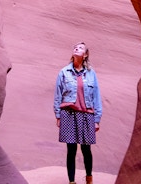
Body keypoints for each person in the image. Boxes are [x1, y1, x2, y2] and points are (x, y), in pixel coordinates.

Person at [53, 42, 103, 184]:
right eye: (75, 47)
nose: (76, 48)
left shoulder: (91, 73)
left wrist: (97, 119)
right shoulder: (63, 72)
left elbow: (96, 96)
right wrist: (58, 115)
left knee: (86, 149)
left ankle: (89, 179)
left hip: (87, 115)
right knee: (71, 149)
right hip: (68, 114)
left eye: (80, 48)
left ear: (85, 54)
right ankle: (72, 182)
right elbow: (57, 96)